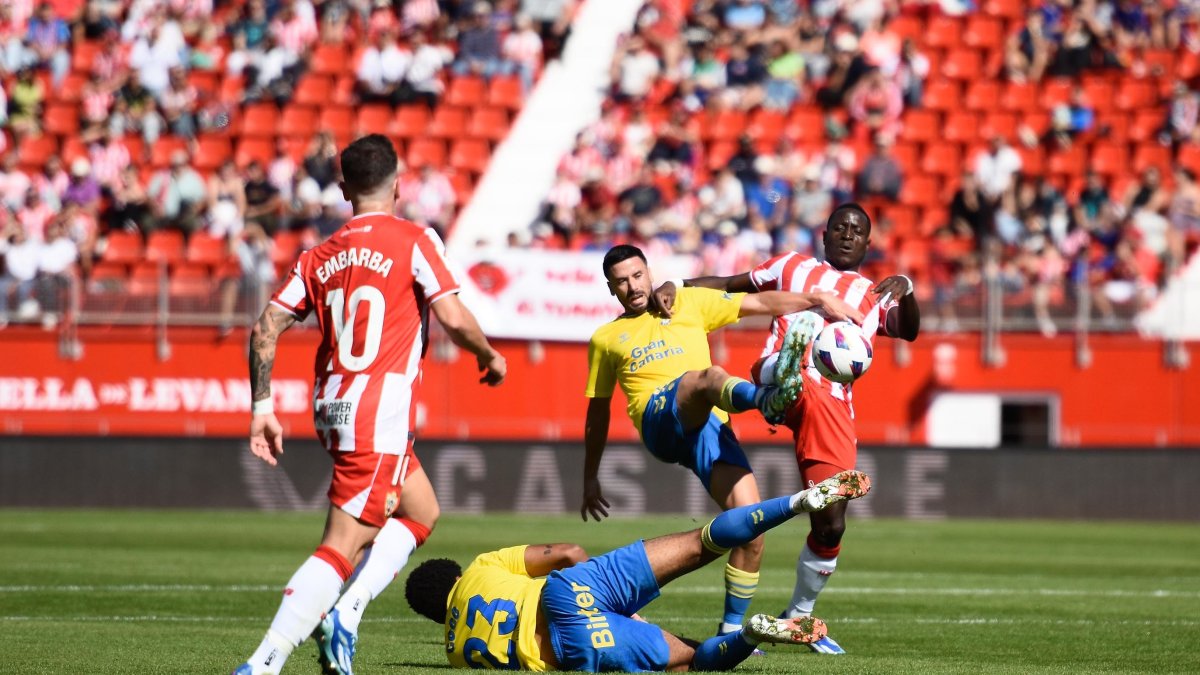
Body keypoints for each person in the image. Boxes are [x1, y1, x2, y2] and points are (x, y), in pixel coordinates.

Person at [233, 135, 508, 675]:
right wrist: (489, 355)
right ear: (398, 185)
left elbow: (265, 328)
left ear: (344, 190)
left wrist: (261, 407)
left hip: (332, 406)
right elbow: (453, 317)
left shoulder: (318, 256)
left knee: (421, 511)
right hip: (376, 417)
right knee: (342, 547)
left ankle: (347, 613)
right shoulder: (415, 240)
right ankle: (264, 662)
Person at [653, 203, 921, 655]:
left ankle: (798, 615)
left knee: (831, 523)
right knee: (793, 356)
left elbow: (908, 330)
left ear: (867, 243)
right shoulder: (790, 266)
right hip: (781, 371)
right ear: (825, 234)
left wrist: (907, 288)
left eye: (857, 230)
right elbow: (728, 285)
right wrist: (677, 286)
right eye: (840, 227)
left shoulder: (874, 295)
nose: (847, 235)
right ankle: (784, 376)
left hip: (830, 404)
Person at [581, 244, 864, 643]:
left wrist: (818, 298)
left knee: (751, 526)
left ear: (649, 272)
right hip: (660, 421)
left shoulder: (688, 303)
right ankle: (767, 401)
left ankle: (730, 634)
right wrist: (590, 477)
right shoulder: (606, 338)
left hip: (709, 428)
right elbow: (597, 413)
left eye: (637, 275)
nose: (632, 286)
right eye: (621, 282)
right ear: (611, 289)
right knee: (707, 377)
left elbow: (761, 302)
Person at [405, 469, 872, 672]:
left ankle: (750, 634)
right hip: (569, 589)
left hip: (570, 643)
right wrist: (605, 600)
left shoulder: (455, 654)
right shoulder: (482, 567)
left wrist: (607, 617)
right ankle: (797, 501)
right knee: (703, 540)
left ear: (435, 615)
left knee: (691, 661)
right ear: (455, 576)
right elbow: (568, 551)